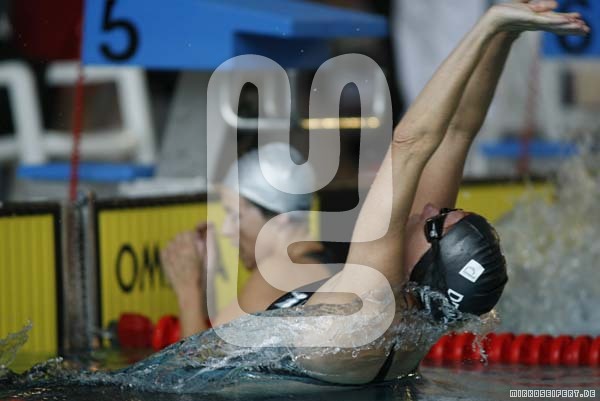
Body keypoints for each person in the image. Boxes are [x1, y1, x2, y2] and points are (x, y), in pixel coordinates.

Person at [261, 0, 587, 385]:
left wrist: (486, 25)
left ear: (427, 264)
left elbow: (409, 145)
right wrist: (504, 36)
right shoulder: (420, 309)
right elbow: (457, 131)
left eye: (436, 221)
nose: (432, 207)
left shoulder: (369, 302)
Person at [161, 143, 335, 337]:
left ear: (280, 217)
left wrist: (188, 292)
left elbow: (202, 355)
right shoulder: (319, 266)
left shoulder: (277, 272)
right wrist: (206, 282)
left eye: (236, 216)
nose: (227, 230)